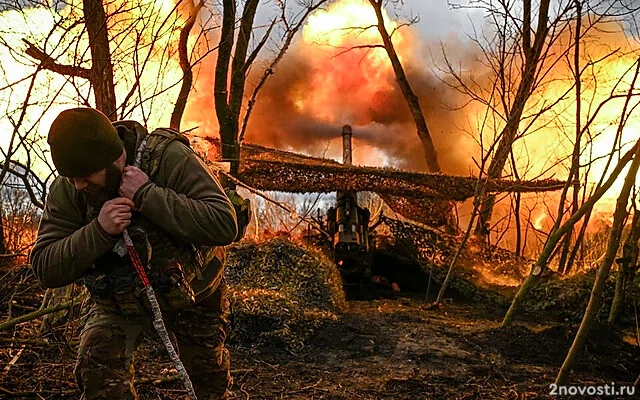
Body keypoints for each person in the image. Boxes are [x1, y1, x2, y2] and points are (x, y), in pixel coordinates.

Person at [30, 107, 238, 400]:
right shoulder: (70, 187)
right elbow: (45, 267)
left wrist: (146, 195)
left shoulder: (168, 158)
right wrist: (99, 231)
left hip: (194, 289)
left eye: (86, 176)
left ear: (116, 159)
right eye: (72, 177)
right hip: (119, 296)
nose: (78, 185)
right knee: (98, 369)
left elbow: (224, 223)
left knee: (207, 379)